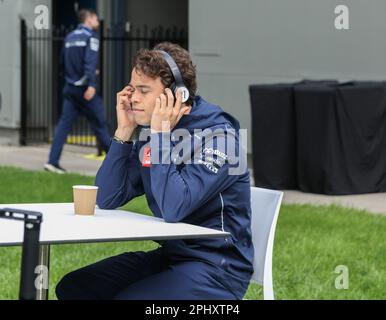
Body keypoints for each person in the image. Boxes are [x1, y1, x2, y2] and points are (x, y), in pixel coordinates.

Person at [55, 42, 254, 300]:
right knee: (75, 287)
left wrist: (161, 136)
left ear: (177, 94)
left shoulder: (222, 140)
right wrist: (124, 133)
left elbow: (174, 208)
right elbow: (106, 197)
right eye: (132, 89)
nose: (132, 98)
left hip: (217, 270)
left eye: (143, 91)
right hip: (173, 257)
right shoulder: (155, 135)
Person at [44, 9, 110, 174]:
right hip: (85, 89)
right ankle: (116, 164)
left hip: (70, 88)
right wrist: (91, 83)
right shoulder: (90, 37)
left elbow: (62, 63)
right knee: (101, 123)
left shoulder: (70, 37)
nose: (97, 22)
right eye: (95, 19)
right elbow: (90, 61)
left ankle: (52, 162)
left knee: (63, 126)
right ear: (89, 19)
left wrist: (71, 78)